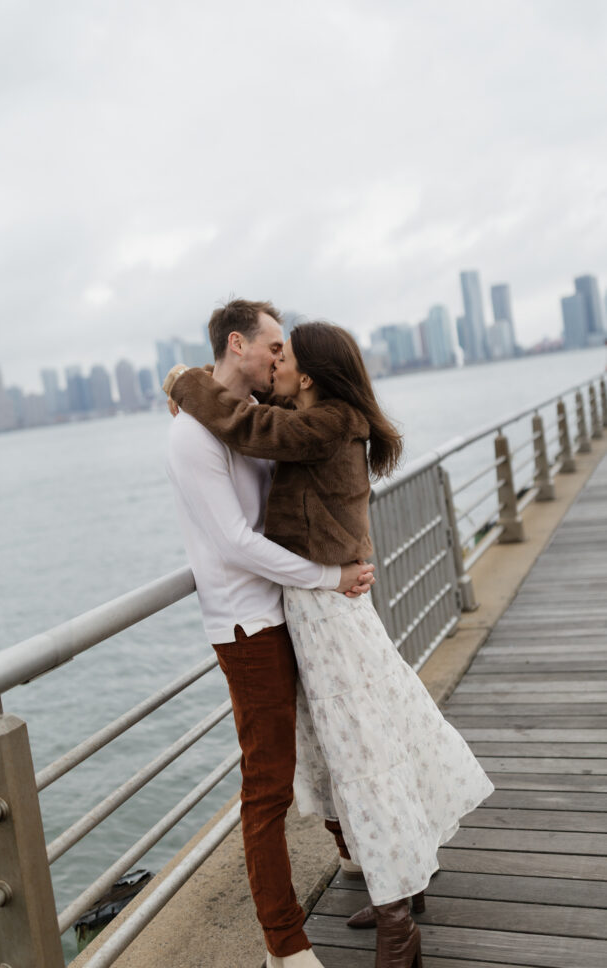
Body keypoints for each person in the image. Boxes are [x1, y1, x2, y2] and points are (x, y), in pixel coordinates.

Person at [166, 320, 494, 968]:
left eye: (284, 354)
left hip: (326, 613)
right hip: (311, 610)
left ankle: (398, 923)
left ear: (308, 374)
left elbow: (249, 427)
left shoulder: (323, 424)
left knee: (364, 758)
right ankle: (402, 886)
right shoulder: (314, 415)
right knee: (363, 749)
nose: (276, 364)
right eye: (271, 348)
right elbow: (254, 414)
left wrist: (184, 381)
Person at [164, 300, 376, 968]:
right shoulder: (193, 436)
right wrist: (329, 576)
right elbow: (235, 541)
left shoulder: (257, 415)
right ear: (239, 344)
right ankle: (284, 944)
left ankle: (351, 852)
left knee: (327, 740)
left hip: (290, 607)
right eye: (274, 345)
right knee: (267, 786)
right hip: (246, 623)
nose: (282, 357)